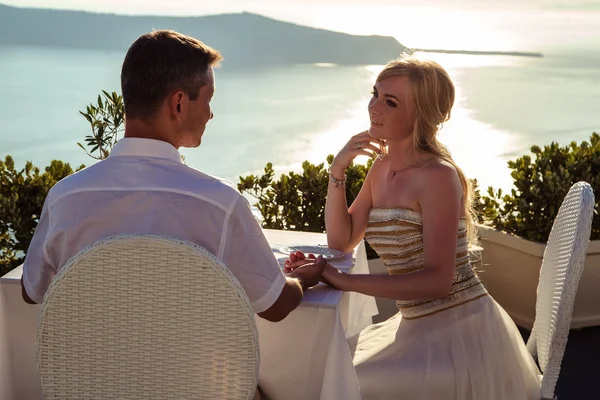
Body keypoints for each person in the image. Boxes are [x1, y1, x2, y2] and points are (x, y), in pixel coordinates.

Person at [20, 30, 325, 326]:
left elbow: (31, 291)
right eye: (208, 99)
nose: (210, 114)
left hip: (80, 378)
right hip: (191, 380)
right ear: (179, 104)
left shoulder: (65, 197)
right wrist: (300, 278)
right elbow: (275, 305)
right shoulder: (219, 204)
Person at [287, 57, 541, 399]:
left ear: (419, 115)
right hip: (413, 327)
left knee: (338, 384)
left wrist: (340, 279)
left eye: (390, 102)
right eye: (375, 94)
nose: (373, 108)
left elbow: (438, 282)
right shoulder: (382, 166)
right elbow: (342, 240)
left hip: (459, 334)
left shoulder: (438, 176)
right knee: (322, 368)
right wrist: (338, 169)